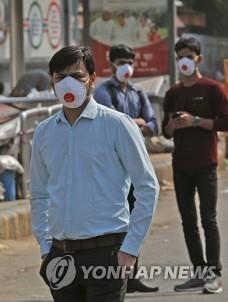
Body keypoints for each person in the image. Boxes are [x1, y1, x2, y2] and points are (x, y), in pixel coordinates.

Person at [30, 46, 159, 301]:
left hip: (107, 254)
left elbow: (147, 186)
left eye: (76, 76)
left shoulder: (117, 125)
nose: (68, 83)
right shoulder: (44, 132)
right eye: (60, 77)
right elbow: (39, 194)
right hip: (60, 255)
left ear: (92, 79)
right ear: (53, 83)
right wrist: (46, 249)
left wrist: (130, 249)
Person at [162, 37, 226, 294]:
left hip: (206, 163)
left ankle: (214, 274)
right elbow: (165, 131)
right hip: (181, 165)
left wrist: (196, 120)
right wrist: (174, 125)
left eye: (188, 56)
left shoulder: (213, 89)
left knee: (208, 219)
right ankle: (198, 272)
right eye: (179, 57)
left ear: (198, 58)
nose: (183, 61)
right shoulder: (172, 93)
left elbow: (225, 123)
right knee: (187, 220)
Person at [94, 43, 159, 293]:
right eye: (121, 62)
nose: (126, 67)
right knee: (118, 219)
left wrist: (136, 123)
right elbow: (111, 121)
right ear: (111, 64)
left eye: (129, 62)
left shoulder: (137, 93)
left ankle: (133, 275)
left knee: (137, 216)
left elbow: (153, 124)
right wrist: (137, 123)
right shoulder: (103, 92)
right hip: (113, 166)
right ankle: (116, 276)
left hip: (136, 163)